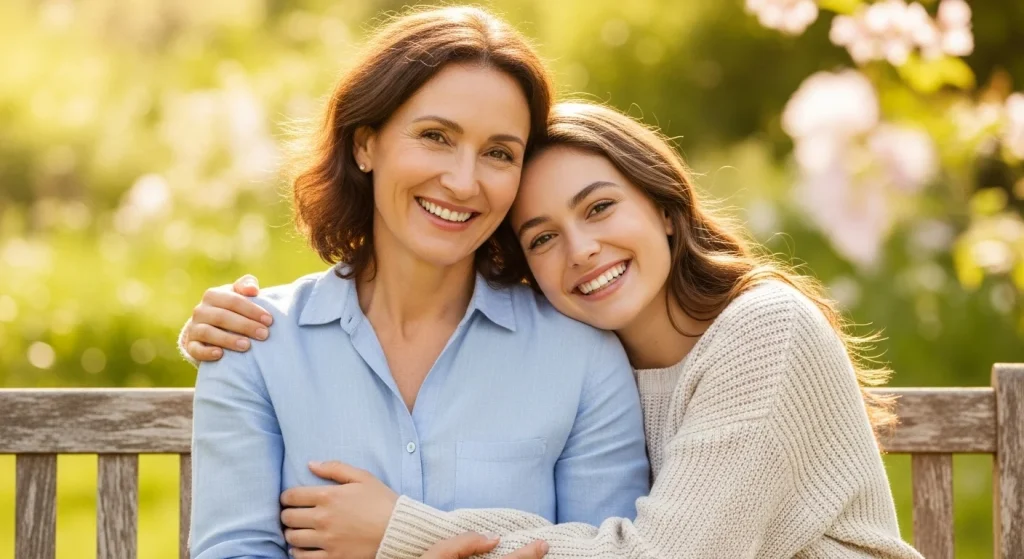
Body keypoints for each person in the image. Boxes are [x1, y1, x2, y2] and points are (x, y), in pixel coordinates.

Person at [184, 101, 924, 558]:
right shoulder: (596, 353)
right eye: (541, 237)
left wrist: (402, 531)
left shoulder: (764, 331)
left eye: (600, 208)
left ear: (665, 208)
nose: (581, 251)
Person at [184, 8, 651, 558]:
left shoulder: (582, 357)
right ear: (365, 145)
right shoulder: (254, 344)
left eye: (499, 153)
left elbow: (612, 551)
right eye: (435, 136)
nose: (461, 181)